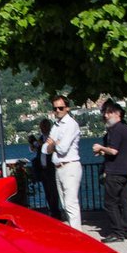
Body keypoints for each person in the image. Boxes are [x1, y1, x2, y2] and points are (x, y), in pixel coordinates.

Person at [93, 100, 127, 242]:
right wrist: (104, 151)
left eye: (108, 113)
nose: (105, 116)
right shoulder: (126, 128)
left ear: (117, 114)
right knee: (125, 201)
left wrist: (100, 148)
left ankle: (117, 233)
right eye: (104, 113)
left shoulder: (116, 129)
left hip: (115, 170)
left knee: (110, 203)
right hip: (126, 170)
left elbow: (114, 150)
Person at [44, 95, 82, 229]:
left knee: (71, 204)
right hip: (58, 167)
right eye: (55, 108)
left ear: (67, 108)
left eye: (60, 108)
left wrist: (53, 144)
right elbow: (45, 149)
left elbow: (63, 148)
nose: (58, 110)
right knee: (65, 205)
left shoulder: (71, 124)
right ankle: (75, 234)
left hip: (70, 165)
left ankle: (79, 238)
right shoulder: (56, 126)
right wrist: (54, 144)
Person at [30, 119, 62, 219]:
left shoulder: (51, 138)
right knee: (47, 191)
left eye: (45, 126)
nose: (43, 128)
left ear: (48, 127)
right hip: (43, 169)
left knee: (53, 191)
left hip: (51, 168)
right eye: (42, 126)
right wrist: (33, 143)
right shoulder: (40, 139)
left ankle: (55, 212)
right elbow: (33, 149)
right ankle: (52, 210)